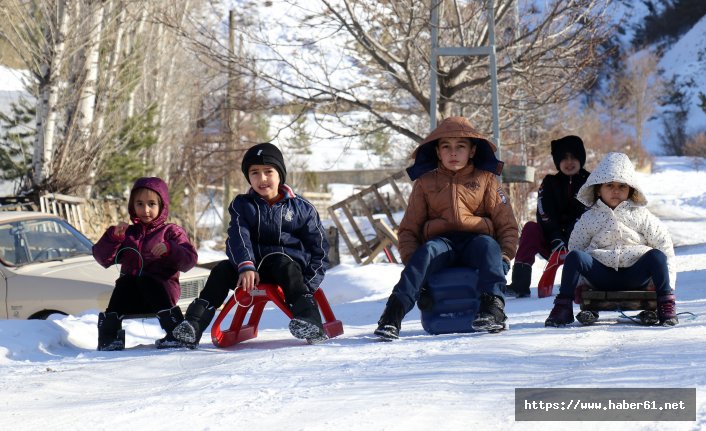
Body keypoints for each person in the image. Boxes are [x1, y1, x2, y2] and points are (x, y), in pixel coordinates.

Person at [374, 116, 519, 340]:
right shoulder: (425, 183)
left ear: (471, 151)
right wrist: (414, 261)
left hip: (476, 241)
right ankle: (392, 315)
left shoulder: (486, 179)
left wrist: (505, 257)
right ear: (437, 152)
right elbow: (409, 229)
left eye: (460, 147)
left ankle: (492, 309)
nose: (453, 153)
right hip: (442, 244)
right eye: (446, 147)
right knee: (427, 252)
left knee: (489, 245)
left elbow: (506, 224)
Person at [172, 142, 330, 346]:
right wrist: (245, 265)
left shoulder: (302, 208)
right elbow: (238, 236)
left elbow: (319, 249)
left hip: (287, 269)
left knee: (281, 261)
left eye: (268, 171)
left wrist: (306, 285)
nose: (262, 178)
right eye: (254, 172)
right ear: (248, 177)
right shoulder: (243, 205)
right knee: (220, 270)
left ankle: (310, 321)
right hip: (250, 268)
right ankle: (193, 325)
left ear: (280, 173)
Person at [545, 152, 678, 327]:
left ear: (630, 189)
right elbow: (576, 245)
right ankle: (563, 307)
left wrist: (668, 282)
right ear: (599, 189)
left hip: (635, 275)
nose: (616, 191)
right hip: (601, 275)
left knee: (657, 255)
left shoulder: (641, 216)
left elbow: (664, 244)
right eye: (609, 185)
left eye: (622, 186)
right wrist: (580, 285)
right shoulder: (589, 218)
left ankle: (666, 304)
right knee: (575, 256)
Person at [92, 177, 198, 351]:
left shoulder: (170, 232)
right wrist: (113, 238)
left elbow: (189, 260)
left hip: (161, 298)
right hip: (131, 298)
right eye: (140, 204)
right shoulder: (128, 233)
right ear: (132, 206)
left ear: (162, 205)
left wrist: (170, 249)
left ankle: (177, 331)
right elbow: (103, 258)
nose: (145, 210)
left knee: (145, 280)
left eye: (151, 204)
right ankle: (109, 335)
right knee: (126, 281)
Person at [505, 135, 590, 297]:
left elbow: (589, 212)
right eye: (564, 158)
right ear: (558, 161)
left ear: (581, 158)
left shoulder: (590, 182)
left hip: (583, 244)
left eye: (573, 157)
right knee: (530, 228)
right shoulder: (550, 183)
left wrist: (572, 238)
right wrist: (556, 237)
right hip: (553, 243)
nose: (569, 162)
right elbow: (544, 212)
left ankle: (588, 283)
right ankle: (520, 283)